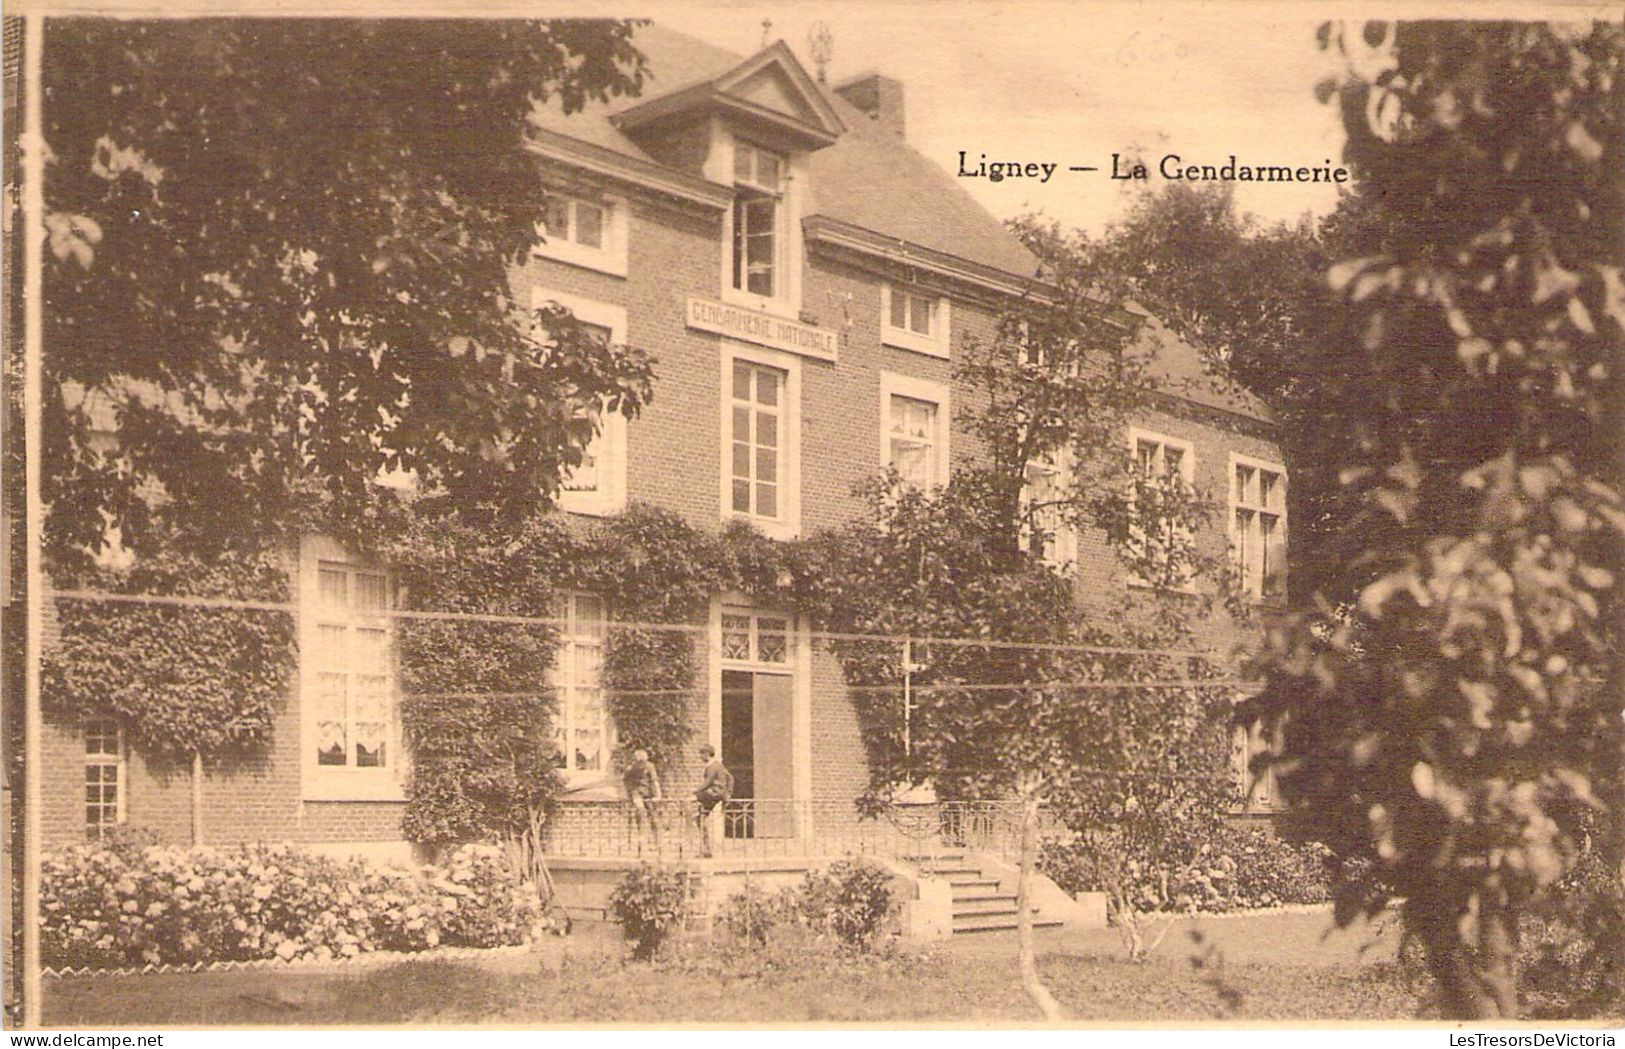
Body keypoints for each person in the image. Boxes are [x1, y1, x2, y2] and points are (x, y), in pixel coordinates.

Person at [692, 743, 733, 857]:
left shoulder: (712, 766)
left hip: (713, 793)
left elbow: (708, 782)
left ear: (707, 754)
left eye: (702, 755)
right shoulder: (719, 765)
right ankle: (706, 849)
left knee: (691, 805)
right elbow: (730, 778)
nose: (700, 757)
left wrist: (695, 792)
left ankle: (705, 847)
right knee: (700, 819)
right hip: (717, 794)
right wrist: (728, 793)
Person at [623, 748, 662, 850]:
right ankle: (641, 835)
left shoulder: (649, 766)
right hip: (636, 793)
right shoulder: (631, 768)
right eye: (638, 761)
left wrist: (658, 795)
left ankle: (656, 842)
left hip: (648, 793)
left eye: (642, 762)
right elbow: (625, 780)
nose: (640, 764)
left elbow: (655, 781)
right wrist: (628, 792)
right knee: (640, 810)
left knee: (653, 817)